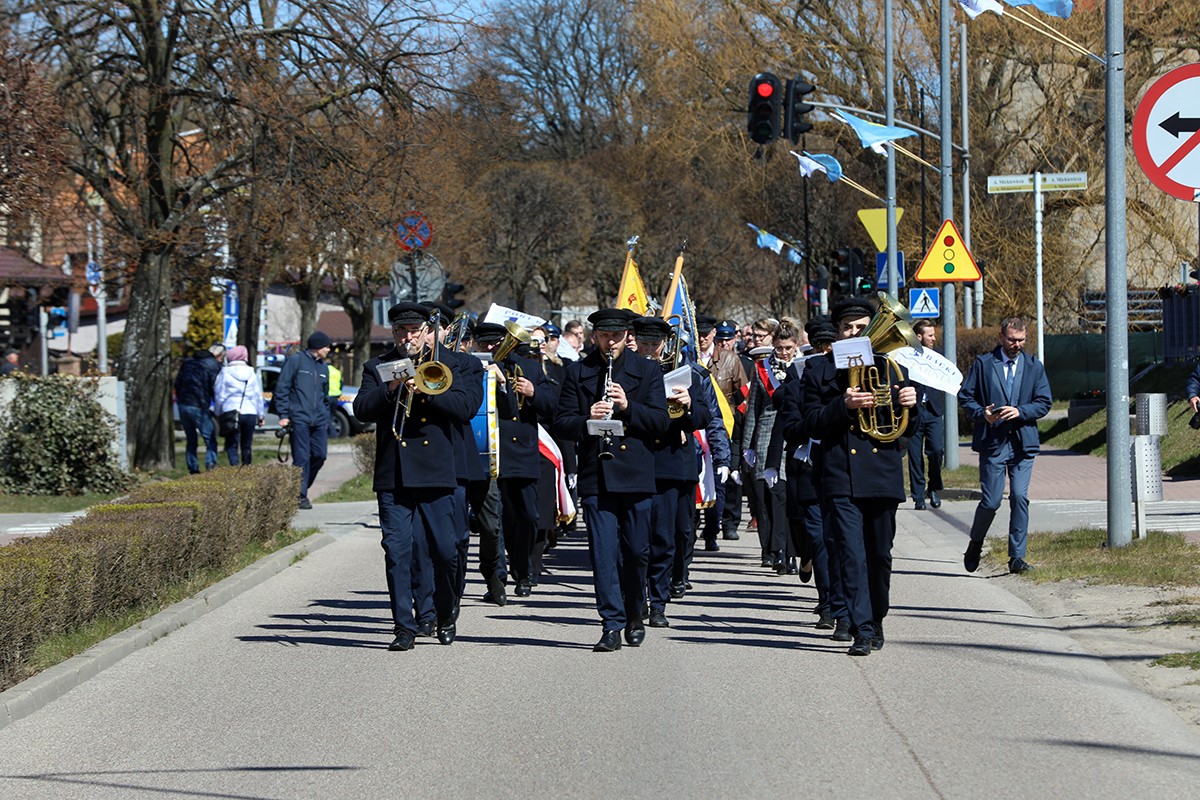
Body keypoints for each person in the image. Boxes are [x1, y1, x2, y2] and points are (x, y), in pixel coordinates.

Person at [354, 302, 482, 651]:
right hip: (394, 474)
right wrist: (391, 388)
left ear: (427, 332)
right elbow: (361, 409)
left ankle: (445, 613)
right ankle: (404, 627)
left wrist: (428, 390)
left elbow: (466, 408)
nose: (407, 338)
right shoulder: (378, 367)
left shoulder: (456, 364)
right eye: (401, 331)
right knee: (397, 552)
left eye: (414, 331)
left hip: (438, 473)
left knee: (445, 551)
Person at [799, 297, 917, 656]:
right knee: (851, 554)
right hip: (840, 475)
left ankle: (876, 618)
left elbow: (909, 429)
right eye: (847, 327)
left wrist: (911, 405)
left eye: (861, 327)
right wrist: (843, 406)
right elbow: (808, 424)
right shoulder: (818, 371)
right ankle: (861, 628)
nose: (854, 332)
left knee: (879, 556)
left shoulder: (891, 367)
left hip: (882, 474)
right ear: (837, 333)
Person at [554, 307, 669, 652]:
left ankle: (635, 613)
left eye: (616, 336)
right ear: (595, 337)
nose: (610, 343)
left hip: (636, 474)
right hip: (597, 474)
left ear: (626, 337)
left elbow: (661, 422)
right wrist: (586, 419)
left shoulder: (647, 370)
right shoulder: (578, 371)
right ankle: (611, 624)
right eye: (604, 336)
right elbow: (562, 422)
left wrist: (628, 407)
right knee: (603, 554)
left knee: (635, 552)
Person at [634, 315, 711, 628]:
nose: (650, 350)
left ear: (665, 343)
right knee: (636, 541)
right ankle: (636, 598)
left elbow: (705, 417)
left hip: (670, 465)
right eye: (644, 343)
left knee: (666, 537)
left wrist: (689, 403)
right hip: (635, 462)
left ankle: (658, 602)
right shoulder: (625, 371)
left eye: (655, 344)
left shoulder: (685, 372)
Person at [959, 317, 1052, 575]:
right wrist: (983, 414)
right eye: (1012, 340)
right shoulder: (984, 364)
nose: (1016, 345)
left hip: (1023, 443)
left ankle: (1017, 557)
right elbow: (966, 396)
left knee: (1020, 497)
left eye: (1021, 340)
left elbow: (1044, 402)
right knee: (991, 501)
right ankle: (975, 543)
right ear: (1001, 337)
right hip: (993, 443)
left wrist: (1021, 411)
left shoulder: (1033, 366)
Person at [275, 332, 333, 509]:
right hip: (299, 418)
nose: (329, 350)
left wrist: (325, 415)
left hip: (319, 420)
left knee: (320, 456)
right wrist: (283, 415)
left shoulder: (323, 366)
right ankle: (299, 496)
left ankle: (300, 487)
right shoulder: (296, 361)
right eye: (326, 346)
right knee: (301, 458)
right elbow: (282, 388)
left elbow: (325, 395)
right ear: (317, 346)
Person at [907, 319, 946, 510]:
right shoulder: (907, 356)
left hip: (933, 410)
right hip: (913, 412)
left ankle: (934, 487)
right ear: (919, 337)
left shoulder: (939, 356)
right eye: (930, 335)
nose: (933, 338)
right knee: (915, 456)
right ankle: (918, 497)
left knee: (936, 450)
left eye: (934, 335)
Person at [174, 343, 223, 474]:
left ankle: (193, 468)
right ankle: (210, 465)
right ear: (217, 355)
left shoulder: (187, 362)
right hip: (199, 404)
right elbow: (216, 387)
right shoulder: (213, 365)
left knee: (191, 439)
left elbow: (177, 383)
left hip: (183, 403)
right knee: (210, 438)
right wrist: (217, 406)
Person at [214, 345, 263, 466]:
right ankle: (246, 468)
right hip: (250, 411)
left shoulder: (224, 373)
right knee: (247, 444)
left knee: (232, 444)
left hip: (230, 411)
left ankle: (234, 468)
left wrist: (218, 412)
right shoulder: (251, 373)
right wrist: (261, 415)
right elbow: (258, 396)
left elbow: (219, 395)